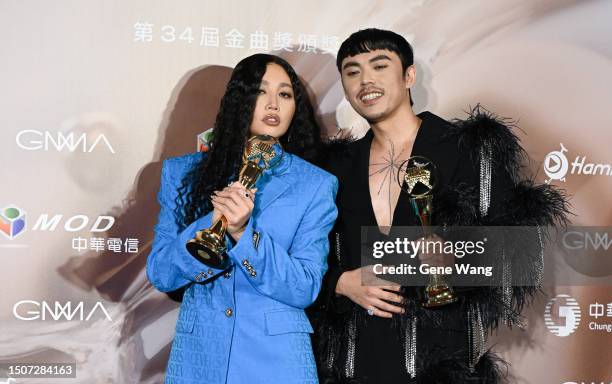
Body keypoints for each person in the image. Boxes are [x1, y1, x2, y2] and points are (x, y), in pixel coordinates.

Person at [310, 29, 568, 383]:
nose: (366, 80)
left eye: (379, 65)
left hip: (440, 359)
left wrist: (457, 256)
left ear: (409, 75)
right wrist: (339, 283)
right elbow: (304, 258)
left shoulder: (466, 151)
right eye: (352, 71)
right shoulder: (335, 169)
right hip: (356, 361)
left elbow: (522, 251)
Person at [147, 53, 338, 384]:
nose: (273, 105)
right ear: (240, 100)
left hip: (277, 361)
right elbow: (162, 273)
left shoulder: (315, 184)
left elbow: (304, 286)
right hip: (200, 357)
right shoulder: (181, 174)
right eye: (260, 92)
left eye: (285, 94)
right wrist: (212, 223)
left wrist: (244, 234)